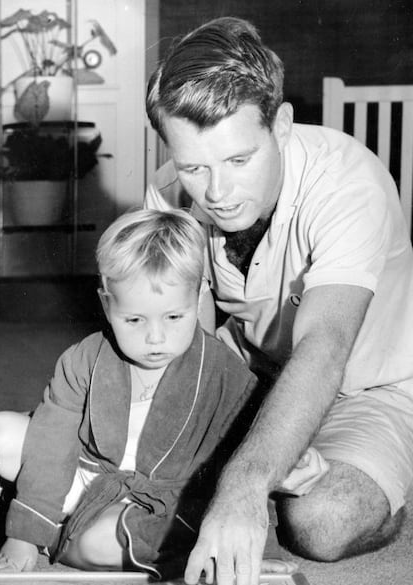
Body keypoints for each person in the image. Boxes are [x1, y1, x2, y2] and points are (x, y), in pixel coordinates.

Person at [144, 16, 413, 585]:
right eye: (195, 166)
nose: (217, 192)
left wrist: (242, 485)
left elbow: (326, 345)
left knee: (320, 522)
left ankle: (392, 489)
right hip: (254, 373)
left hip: (369, 385)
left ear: (282, 124)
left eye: (240, 161)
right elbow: (173, 342)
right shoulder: (171, 191)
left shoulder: (349, 183)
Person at [0, 208, 259, 579]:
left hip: (164, 503)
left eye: (174, 317)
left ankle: (64, 534)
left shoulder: (225, 371)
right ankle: (44, 524)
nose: (155, 338)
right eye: (134, 320)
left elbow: (248, 461)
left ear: (200, 297)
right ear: (107, 305)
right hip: (90, 476)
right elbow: (51, 443)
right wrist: (25, 534)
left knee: (98, 544)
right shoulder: (83, 359)